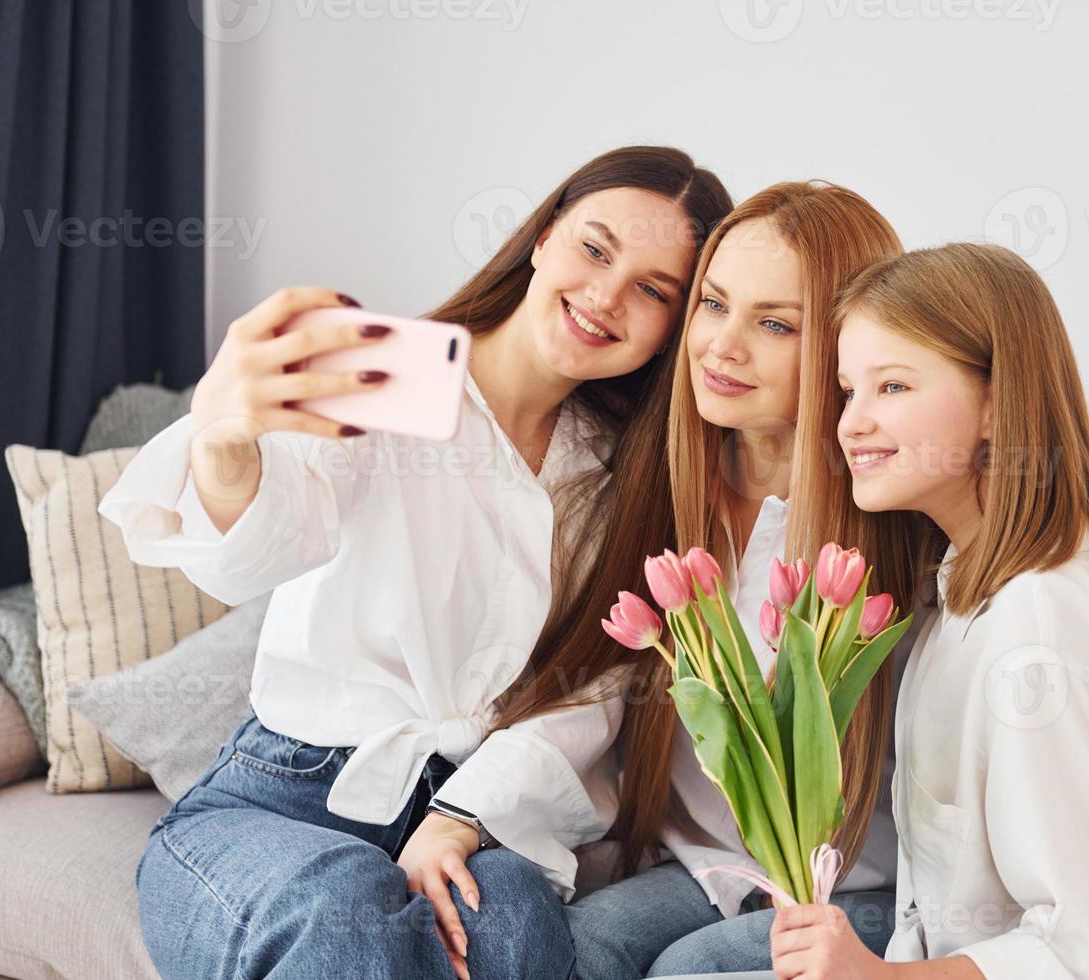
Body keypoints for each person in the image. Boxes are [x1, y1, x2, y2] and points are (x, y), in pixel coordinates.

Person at [97, 145, 732, 979]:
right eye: (595, 248)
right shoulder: (389, 375)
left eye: (654, 290)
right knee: (339, 906)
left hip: (469, 809)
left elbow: (588, 695)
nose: (607, 296)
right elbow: (264, 535)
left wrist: (464, 816)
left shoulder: (622, 482)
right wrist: (223, 438)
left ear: (673, 330)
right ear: (542, 237)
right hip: (287, 796)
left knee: (513, 926)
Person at [767, 242, 1089, 979]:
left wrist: (877, 977)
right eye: (847, 391)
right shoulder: (959, 589)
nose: (850, 423)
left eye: (892, 387)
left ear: (994, 403)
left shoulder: (1036, 631)